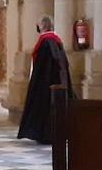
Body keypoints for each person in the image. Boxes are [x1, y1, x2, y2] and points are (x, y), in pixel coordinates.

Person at [17, 16, 74, 144]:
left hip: (47, 83)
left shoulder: (47, 41)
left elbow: (48, 64)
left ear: (43, 26)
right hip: (54, 81)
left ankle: (47, 134)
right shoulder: (54, 40)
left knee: (46, 107)